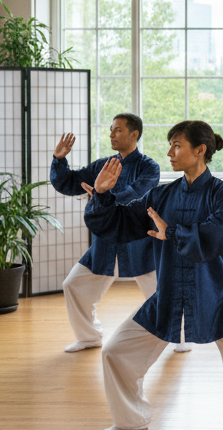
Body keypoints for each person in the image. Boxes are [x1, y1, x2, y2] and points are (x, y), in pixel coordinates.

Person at [85, 120, 223, 430]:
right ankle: (130, 418)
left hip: (218, 294)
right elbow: (122, 222)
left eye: (177, 145)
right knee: (115, 352)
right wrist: (103, 195)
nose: (169, 153)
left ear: (200, 150)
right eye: (170, 145)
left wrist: (174, 232)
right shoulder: (161, 194)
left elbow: (219, 234)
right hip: (168, 296)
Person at [50, 114, 166, 353]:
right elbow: (70, 183)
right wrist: (59, 160)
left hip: (138, 240)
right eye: (111, 130)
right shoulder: (102, 165)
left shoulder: (149, 167)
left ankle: (179, 336)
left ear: (134, 134)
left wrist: (103, 195)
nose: (111, 134)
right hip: (104, 244)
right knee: (73, 285)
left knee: (161, 294)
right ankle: (89, 336)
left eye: (118, 130)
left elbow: (137, 193)